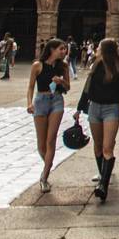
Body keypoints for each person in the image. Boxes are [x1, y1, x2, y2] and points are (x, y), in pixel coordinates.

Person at [75, 38, 119, 202]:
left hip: (111, 109)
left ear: (104, 50)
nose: (96, 50)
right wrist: (79, 109)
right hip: (94, 108)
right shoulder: (95, 67)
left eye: (99, 48)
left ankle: (103, 185)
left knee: (107, 148)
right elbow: (86, 91)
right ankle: (103, 174)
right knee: (98, 146)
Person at [27, 38, 71, 193]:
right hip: (40, 101)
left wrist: (61, 82)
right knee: (41, 144)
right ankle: (48, 164)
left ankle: (44, 177)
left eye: (65, 49)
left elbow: (68, 86)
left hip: (57, 101)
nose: (64, 51)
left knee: (51, 140)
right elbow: (31, 86)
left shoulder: (64, 66)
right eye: (61, 48)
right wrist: (29, 103)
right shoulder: (37, 66)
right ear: (51, 49)